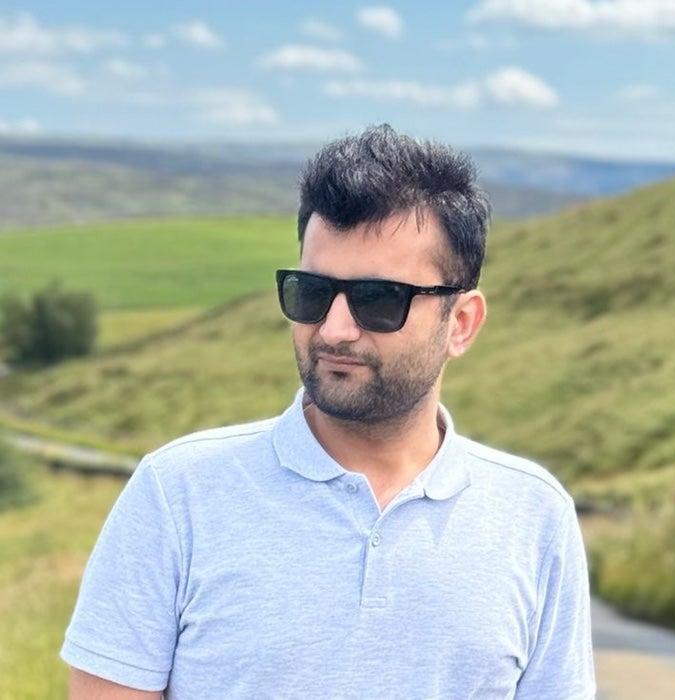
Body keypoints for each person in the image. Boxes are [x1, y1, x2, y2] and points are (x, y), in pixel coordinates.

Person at [62, 124, 596, 699]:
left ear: (461, 323)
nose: (335, 329)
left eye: (378, 299)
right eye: (312, 292)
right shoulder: (177, 494)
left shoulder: (535, 516)